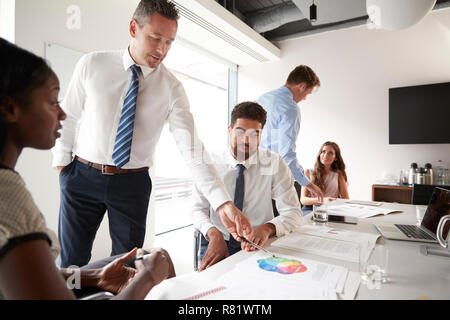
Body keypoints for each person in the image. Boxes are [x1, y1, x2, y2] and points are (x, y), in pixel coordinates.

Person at [52, 0, 251, 268]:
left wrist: (223, 203)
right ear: (134, 28)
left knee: (127, 267)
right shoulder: (93, 64)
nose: (162, 50)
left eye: (169, 42)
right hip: (81, 177)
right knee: (71, 264)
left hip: (131, 185)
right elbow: (69, 114)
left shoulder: (172, 88)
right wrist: (63, 164)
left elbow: (192, 150)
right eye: (155, 38)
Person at [0, 38, 175, 299]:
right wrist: (147, 280)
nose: (62, 114)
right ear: (10, 108)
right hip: (80, 175)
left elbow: (38, 275)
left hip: (131, 181)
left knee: (130, 258)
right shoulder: (10, 200)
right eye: (52, 102)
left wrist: (95, 277)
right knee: (150, 265)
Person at [191, 102, 303, 271]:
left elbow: (293, 213)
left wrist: (267, 228)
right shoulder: (209, 163)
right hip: (219, 240)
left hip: (260, 243)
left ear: (261, 135)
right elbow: (196, 210)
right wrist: (213, 233)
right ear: (229, 130)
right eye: (240, 131)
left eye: (254, 134)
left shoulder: (275, 163)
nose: (246, 140)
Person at [256, 65, 324, 208]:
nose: (305, 98)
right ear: (302, 86)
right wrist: (309, 184)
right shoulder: (290, 108)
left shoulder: (263, 98)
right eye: (307, 93)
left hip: (252, 174)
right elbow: (286, 154)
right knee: (281, 226)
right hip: (273, 178)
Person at [300, 141, 349, 214]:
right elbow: (303, 200)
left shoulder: (338, 175)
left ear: (335, 158)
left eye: (330, 153)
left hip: (331, 209)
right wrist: (322, 200)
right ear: (320, 154)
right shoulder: (308, 172)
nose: (326, 155)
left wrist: (335, 202)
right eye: (323, 151)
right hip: (310, 209)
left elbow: (346, 199)